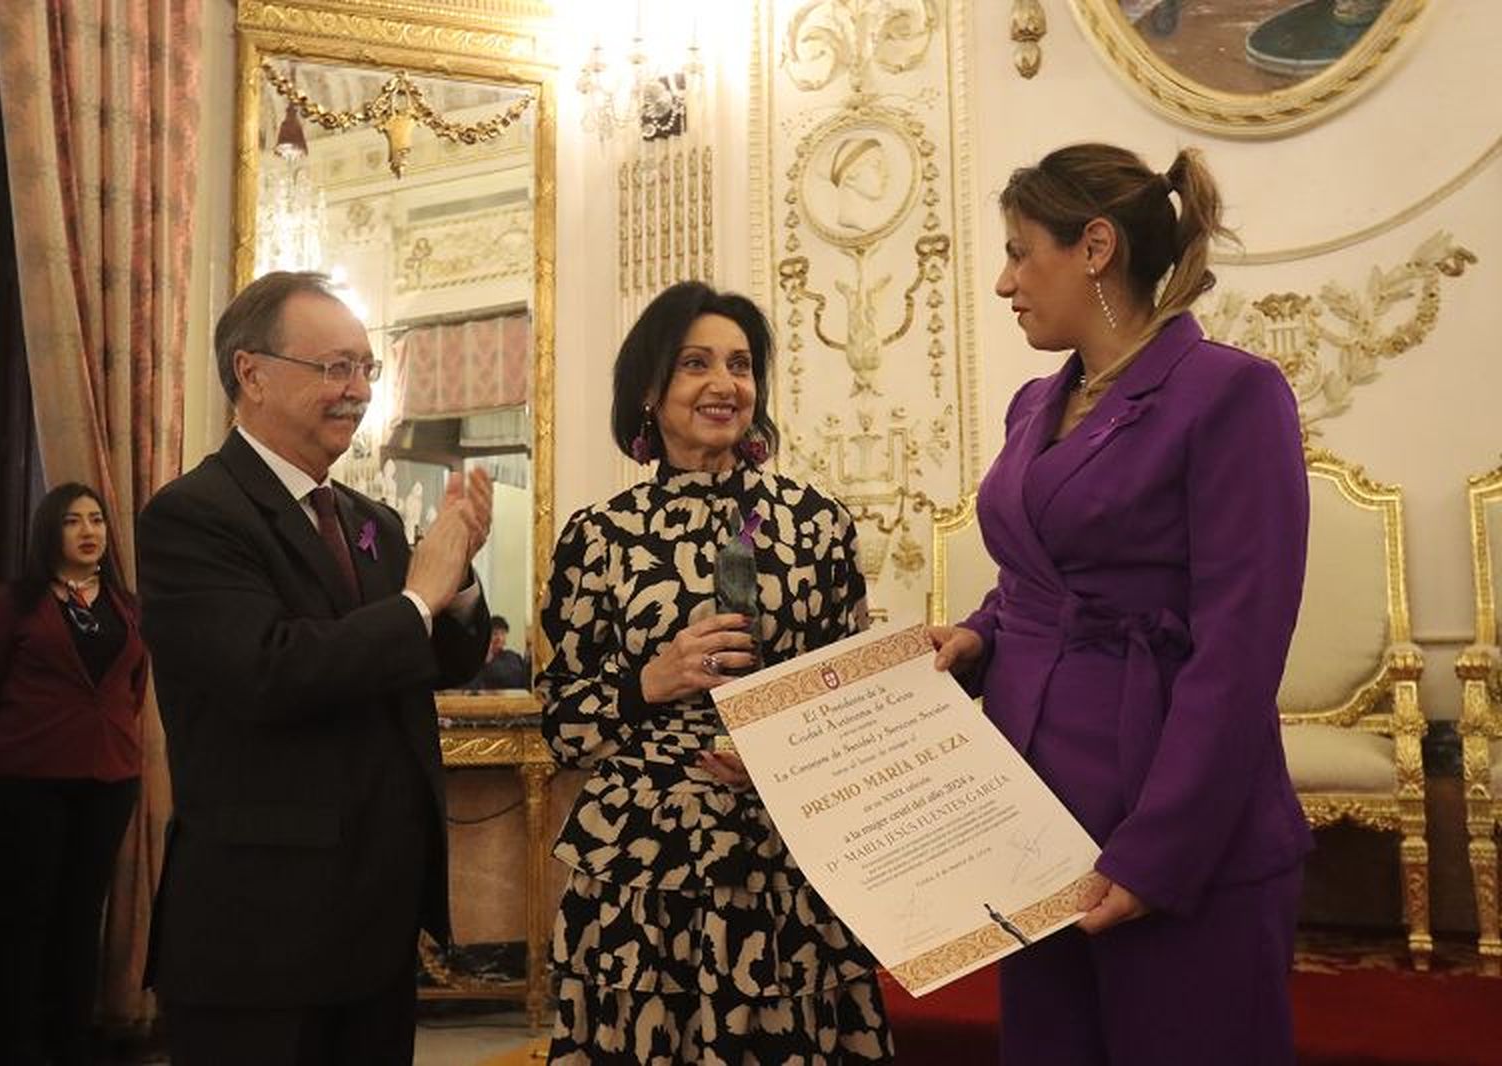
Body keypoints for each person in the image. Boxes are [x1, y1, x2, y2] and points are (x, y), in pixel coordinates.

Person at [930, 143, 1312, 1065]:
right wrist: (978, 638)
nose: (1003, 282)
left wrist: (1159, 851)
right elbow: (1035, 576)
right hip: (1033, 811)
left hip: (1173, 816)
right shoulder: (1033, 403)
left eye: (1020, 253)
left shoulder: (1232, 392)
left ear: (1095, 247)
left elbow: (1240, 650)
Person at [136, 271, 493, 1065]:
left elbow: (440, 658)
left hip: (376, 925)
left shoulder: (372, 521)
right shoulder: (194, 516)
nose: (358, 391)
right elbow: (269, 671)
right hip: (261, 933)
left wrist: (459, 575)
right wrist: (418, 600)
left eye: (367, 368)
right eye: (334, 367)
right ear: (251, 373)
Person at [538, 281, 894, 1064]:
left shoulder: (815, 524)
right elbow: (562, 725)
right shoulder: (598, 537)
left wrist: (783, 755)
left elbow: (856, 700)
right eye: (695, 363)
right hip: (642, 869)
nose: (724, 384)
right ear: (649, 387)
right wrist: (650, 681)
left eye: (740, 364)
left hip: (787, 858)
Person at [0, 483, 148, 1065]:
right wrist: (19, 744)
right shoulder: (13, 604)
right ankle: (13, 1044)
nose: (89, 531)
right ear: (49, 532)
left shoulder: (127, 607)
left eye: (96, 520)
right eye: (72, 521)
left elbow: (132, 690)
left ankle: (70, 1041)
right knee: (24, 916)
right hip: (26, 778)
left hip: (109, 778)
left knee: (81, 914)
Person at [464, 615, 530, 690]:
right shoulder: (475, 660)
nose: (499, 638)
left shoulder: (512, 657)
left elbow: (513, 679)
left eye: (503, 633)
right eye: (495, 633)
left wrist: (488, 662)